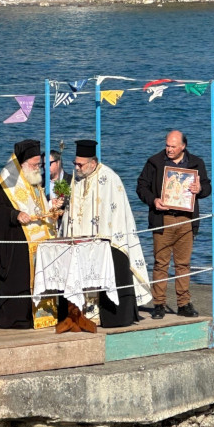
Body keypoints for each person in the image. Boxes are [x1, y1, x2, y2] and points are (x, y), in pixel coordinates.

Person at [65, 139, 151, 327]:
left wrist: (105, 235)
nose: (77, 168)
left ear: (93, 163)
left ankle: (103, 315)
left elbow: (116, 211)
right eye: (75, 163)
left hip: (105, 239)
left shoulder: (110, 179)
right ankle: (83, 313)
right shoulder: (77, 179)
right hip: (81, 240)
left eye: (80, 164)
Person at [0, 139, 63, 330]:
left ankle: (41, 316)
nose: (37, 168)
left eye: (39, 165)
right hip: (15, 240)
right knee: (19, 280)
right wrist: (15, 214)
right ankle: (18, 319)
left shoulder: (33, 178)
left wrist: (50, 207)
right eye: (34, 164)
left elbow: (37, 206)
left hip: (37, 239)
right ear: (22, 164)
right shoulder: (6, 183)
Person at [136, 129, 212, 319]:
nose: (169, 149)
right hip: (163, 218)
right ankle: (159, 304)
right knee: (161, 263)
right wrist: (153, 200)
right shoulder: (154, 162)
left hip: (187, 219)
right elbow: (141, 186)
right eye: (167, 145)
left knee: (183, 264)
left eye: (173, 146)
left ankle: (184, 303)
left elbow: (207, 187)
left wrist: (199, 189)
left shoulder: (196, 163)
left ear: (183, 146)